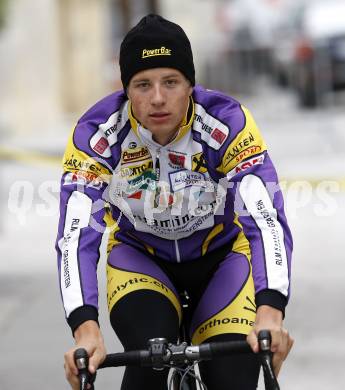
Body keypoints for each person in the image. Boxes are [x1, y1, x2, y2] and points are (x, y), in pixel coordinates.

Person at [57, 14, 293, 390]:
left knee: (234, 376)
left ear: (190, 85)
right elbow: (75, 234)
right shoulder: (97, 135)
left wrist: (271, 310)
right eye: (142, 84)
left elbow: (266, 218)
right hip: (142, 258)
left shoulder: (227, 123)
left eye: (171, 82)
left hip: (223, 258)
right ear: (125, 90)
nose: (157, 98)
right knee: (149, 361)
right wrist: (85, 329)